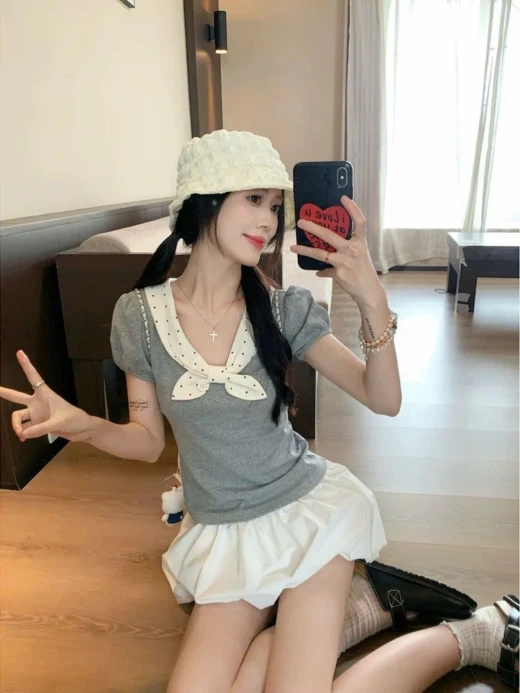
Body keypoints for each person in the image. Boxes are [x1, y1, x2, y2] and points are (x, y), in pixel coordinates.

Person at [1, 130, 517, 693]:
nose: (269, 221)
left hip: (308, 515)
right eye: (253, 199)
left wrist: (372, 296)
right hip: (226, 534)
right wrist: (80, 425)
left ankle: (475, 633)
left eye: (275, 206)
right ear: (205, 200)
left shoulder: (283, 308)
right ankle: (355, 611)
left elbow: (384, 399)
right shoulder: (139, 316)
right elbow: (147, 441)